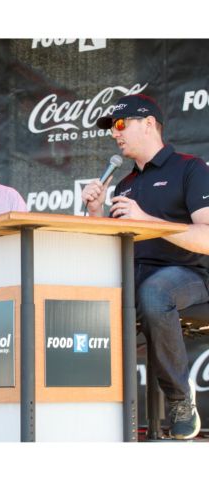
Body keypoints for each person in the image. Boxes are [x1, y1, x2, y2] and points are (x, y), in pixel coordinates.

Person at [82, 93, 209, 440]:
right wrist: (95, 215)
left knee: (154, 292)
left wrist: (149, 221)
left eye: (121, 124)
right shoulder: (124, 184)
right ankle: (85, 405)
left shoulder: (190, 168)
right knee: (76, 297)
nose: (115, 133)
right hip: (133, 273)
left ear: (149, 124)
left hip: (189, 274)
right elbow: (111, 248)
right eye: (111, 128)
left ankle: (181, 401)